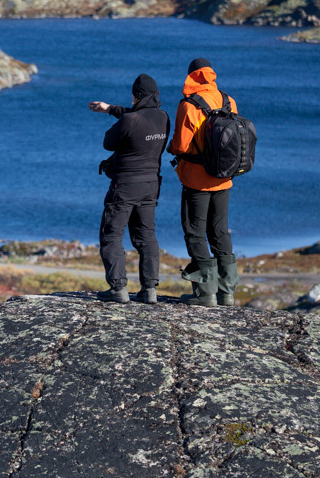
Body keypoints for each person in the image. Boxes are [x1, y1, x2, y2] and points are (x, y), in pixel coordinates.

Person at [88, 74, 169, 304]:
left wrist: (116, 114)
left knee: (112, 234)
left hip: (124, 186)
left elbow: (109, 142)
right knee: (146, 235)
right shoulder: (163, 118)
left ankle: (118, 289)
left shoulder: (129, 121)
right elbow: (139, 120)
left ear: (136, 96)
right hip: (151, 185)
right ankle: (149, 289)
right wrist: (111, 109)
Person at [169, 57, 239, 306]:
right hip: (224, 178)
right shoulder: (228, 100)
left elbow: (181, 145)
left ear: (190, 76)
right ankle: (227, 292)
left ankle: (205, 292)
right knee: (220, 231)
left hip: (197, 179)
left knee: (194, 231)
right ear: (211, 75)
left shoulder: (189, 105)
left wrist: (170, 148)